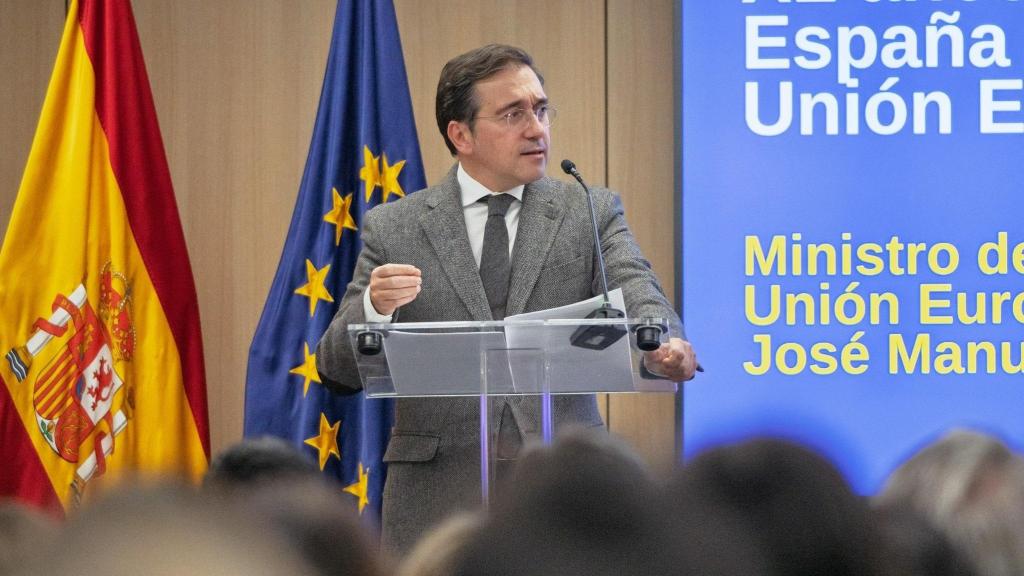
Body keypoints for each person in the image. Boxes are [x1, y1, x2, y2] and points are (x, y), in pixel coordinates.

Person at [316, 43, 698, 553]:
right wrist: (374, 310)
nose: (537, 128)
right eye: (513, 114)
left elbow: (638, 289)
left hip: (564, 492)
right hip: (438, 497)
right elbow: (337, 366)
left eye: (541, 110)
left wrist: (667, 343)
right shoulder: (397, 226)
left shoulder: (587, 209)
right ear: (461, 134)